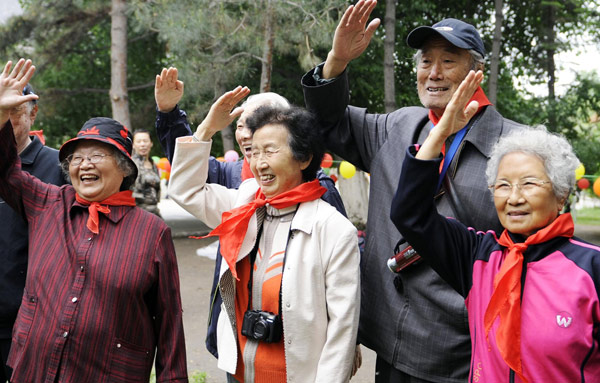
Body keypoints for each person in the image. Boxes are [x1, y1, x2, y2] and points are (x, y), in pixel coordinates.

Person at [301, 1, 526, 381]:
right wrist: (336, 61)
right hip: (391, 341)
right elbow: (325, 122)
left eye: (449, 61)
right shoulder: (398, 126)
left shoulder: (516, 148)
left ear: (477, 71)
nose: (433, 73)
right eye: (425, 61)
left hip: (464, 347)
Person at [390, 70, 600, 382]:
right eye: (502, 185)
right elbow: (410, 214)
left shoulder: (591, 267)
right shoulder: (477, 256)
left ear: (561, 195)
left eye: (529, 184)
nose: (514, 198)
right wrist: (440, 133)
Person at [0, 59, 187, 383]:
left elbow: (169, 324)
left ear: (124, 168)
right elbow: (5, 170)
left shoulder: (151, 232)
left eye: (97, 155)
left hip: (108, 373)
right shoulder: (48, 203)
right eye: (77, 157)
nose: (84, 165)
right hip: (34, 370)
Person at [168, 87, 360, 382]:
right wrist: (206, 128)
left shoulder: (333, 229)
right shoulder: (245, 200)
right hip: (242, 371)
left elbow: (342, 328)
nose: (259, 163)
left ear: (304, 158)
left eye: (270, 151)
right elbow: (184, 190)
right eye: (254, 152)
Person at [0, 82, 67, 382]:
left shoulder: (60, 167)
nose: (5, 118)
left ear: (33, 114)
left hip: (34, 323)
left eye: (13, 111)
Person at [132, 129, 162, 217]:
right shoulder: (130, 164)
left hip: (154, 212)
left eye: (145, 141)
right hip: (137, 213)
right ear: (133, 145)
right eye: (138, 141)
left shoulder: (153, 164)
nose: (142, 144)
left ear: (151, 143)